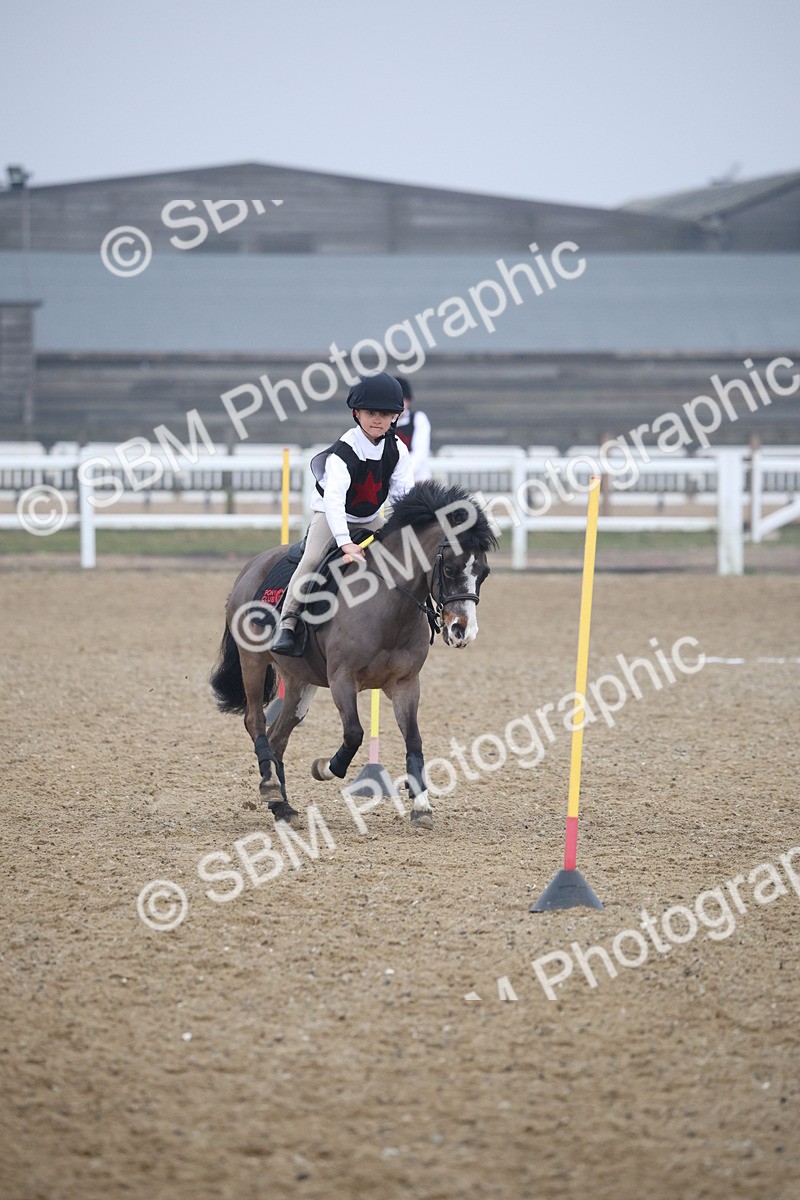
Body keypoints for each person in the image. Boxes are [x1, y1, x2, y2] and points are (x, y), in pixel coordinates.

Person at [271, 372, 415, 656]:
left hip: (370, 517)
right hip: (331, 515)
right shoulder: (345, 451)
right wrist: (344, 542)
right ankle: (287, 622)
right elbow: (334, 500)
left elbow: (403, 495)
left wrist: (404, 530)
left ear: (396, 416)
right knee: (312, 559)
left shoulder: (398, 449)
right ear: (356, 413)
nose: (377, 420)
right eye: (370, 413)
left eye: (385, 414)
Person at [394, 376, 432, 481]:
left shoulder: (418, 419)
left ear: (409, 401)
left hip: (418, 480)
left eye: (402, 400)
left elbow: (420, 453)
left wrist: (399, 475)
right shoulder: (381, 423)